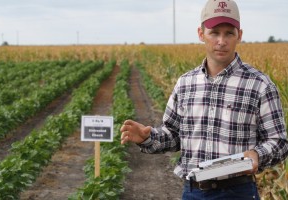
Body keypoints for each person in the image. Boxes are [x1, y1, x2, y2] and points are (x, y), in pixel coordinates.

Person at [120, 0, 288, 199]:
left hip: (238, 192)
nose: (221, 41)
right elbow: (174, 135)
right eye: (214, 32)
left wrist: (258, 155)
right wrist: (147, 137)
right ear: (201, 34)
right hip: (193, 192)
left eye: (229, 33)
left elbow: (279, 142)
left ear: (239, 35)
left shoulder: (260, 84)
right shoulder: (185, 83)